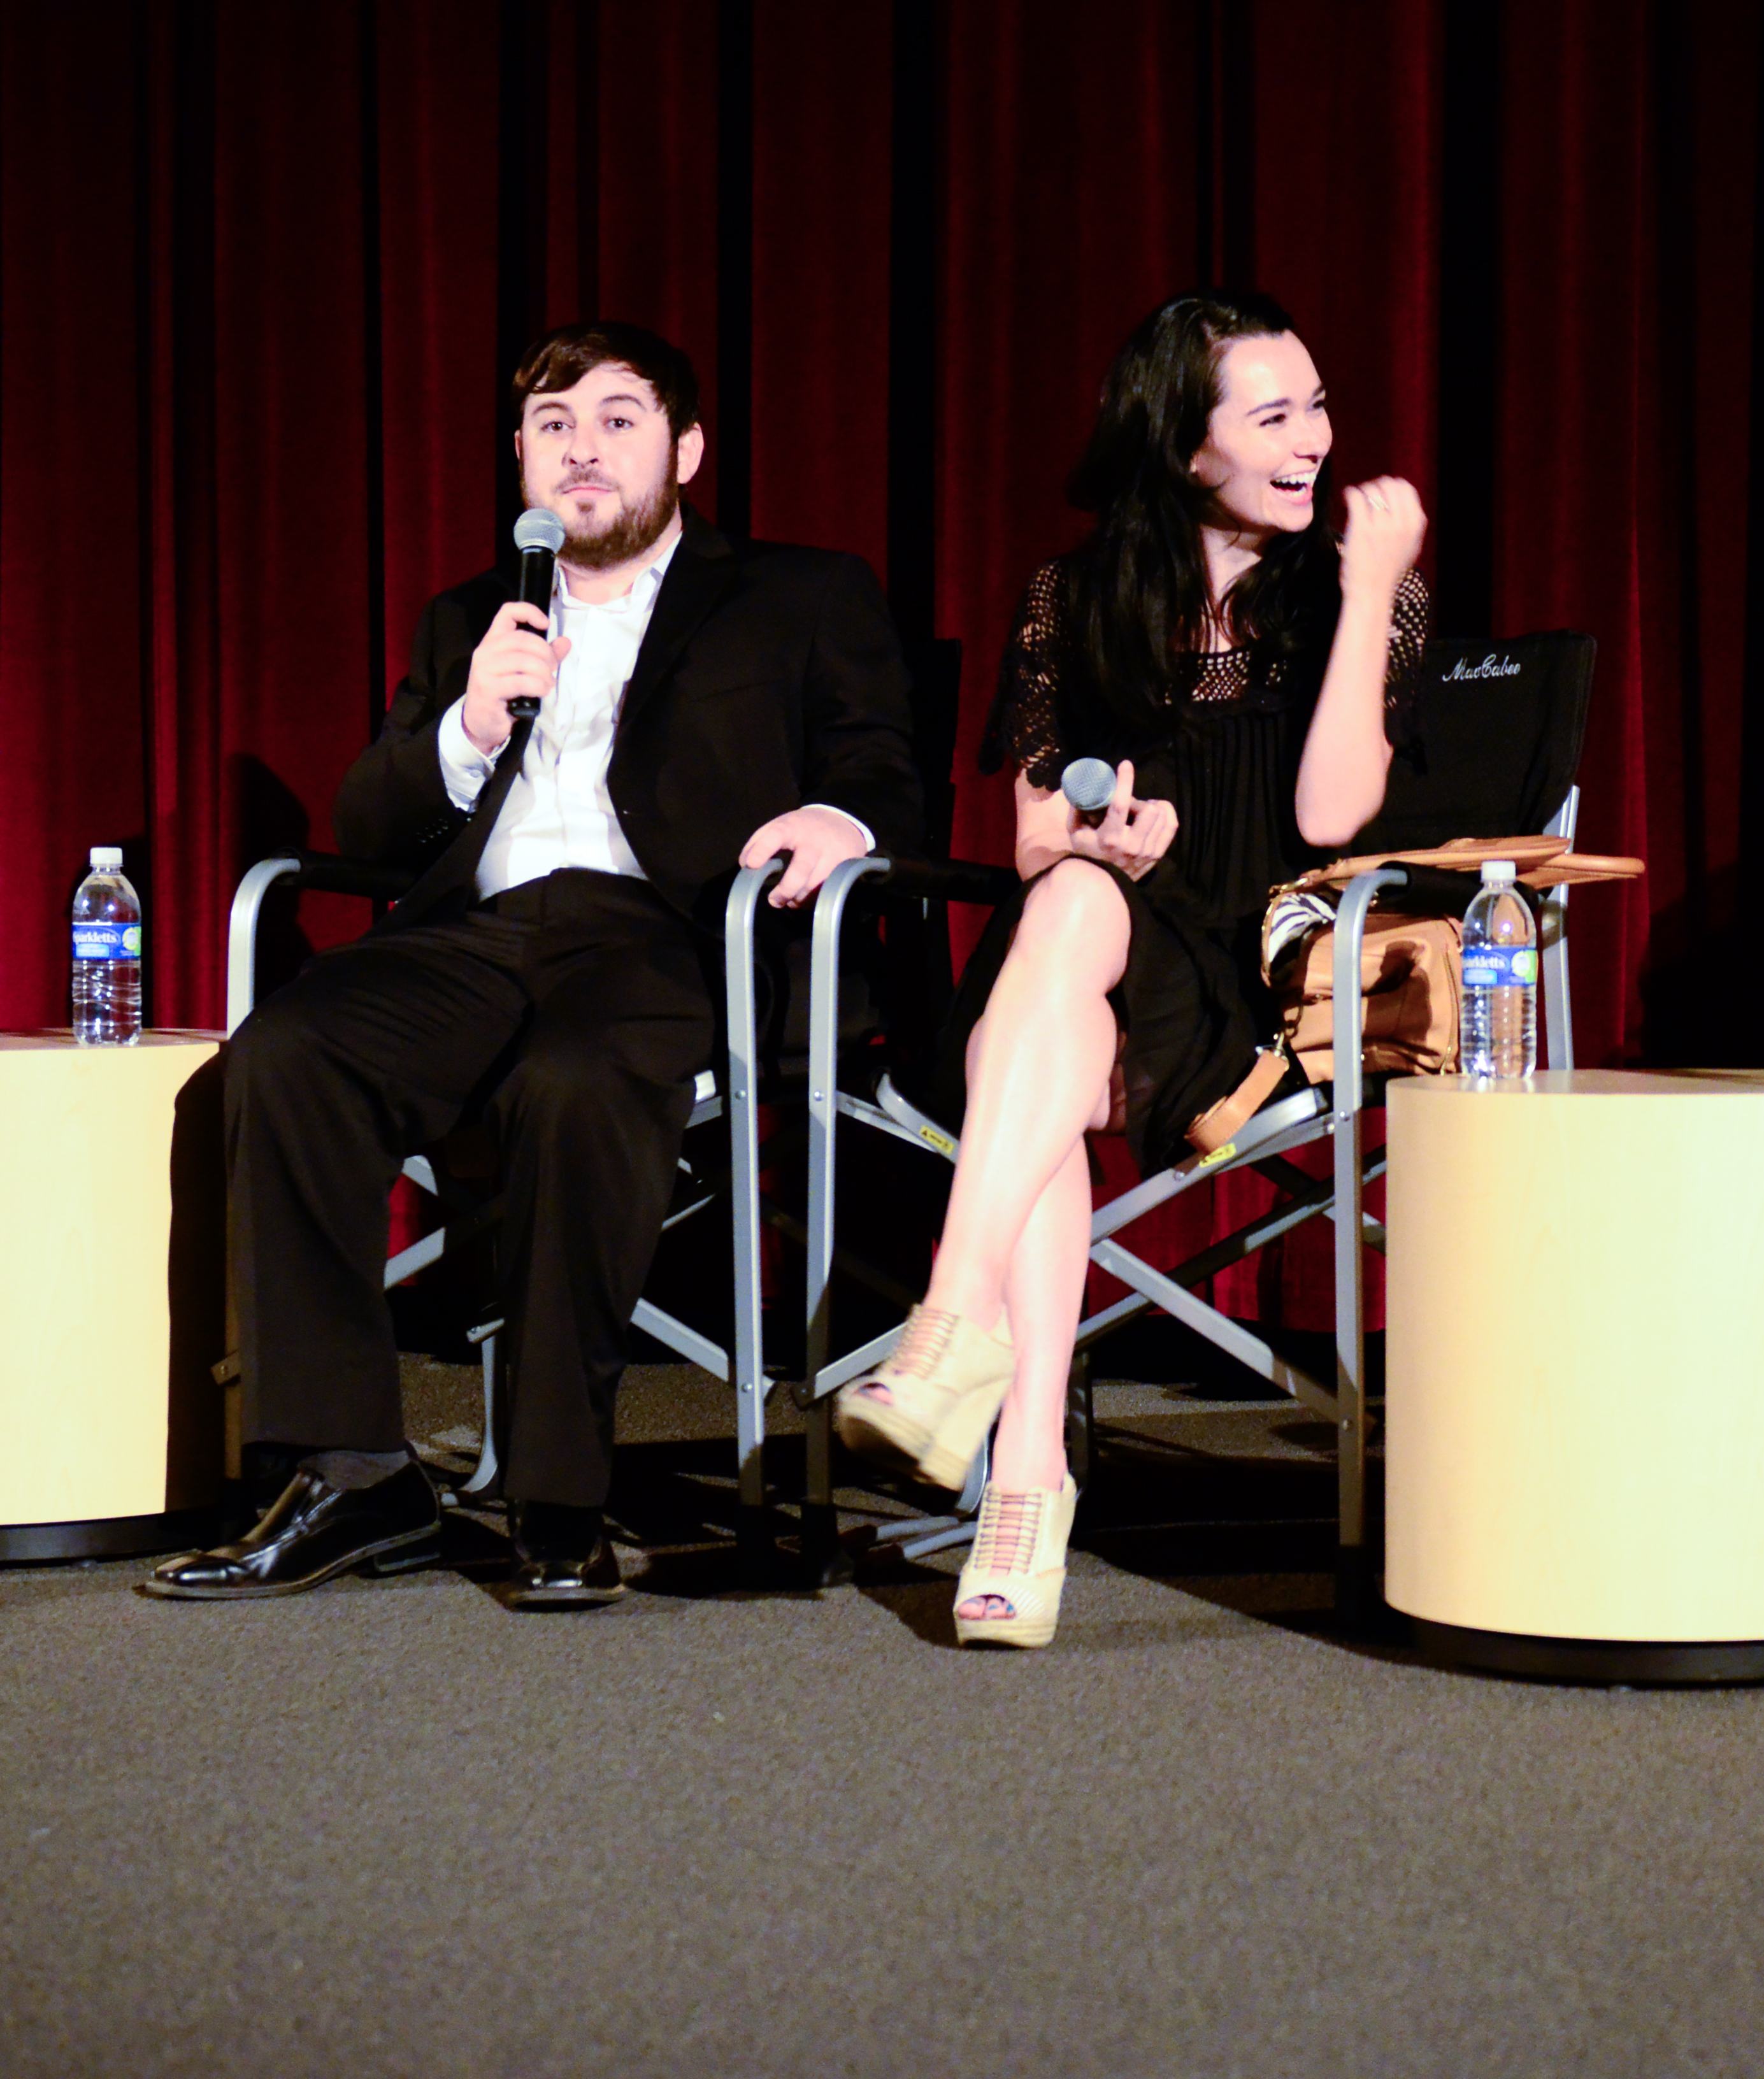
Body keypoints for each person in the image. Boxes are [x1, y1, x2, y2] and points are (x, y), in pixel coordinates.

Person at [145, 321, 922, 1610]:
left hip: (670, 930)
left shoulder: (799, 592)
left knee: (571, 1084)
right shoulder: (473, 616)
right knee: (288, 1052)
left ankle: (560, 1498)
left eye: (618, 420)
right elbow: (373, 829)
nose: (582, 450)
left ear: (685, 449)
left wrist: (836, 823)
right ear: (520, 459)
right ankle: (351, 1472)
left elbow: (879, 766)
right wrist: (465, 721)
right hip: (478, 935)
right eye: (553, 426)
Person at [832, 290, 1430, 1647]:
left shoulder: (1346, 593)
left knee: (1025, 1062)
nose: (1314, 443)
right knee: (1073, 923)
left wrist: (1374, 588)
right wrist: (1108, 840)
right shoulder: (1078, 595)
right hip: (1087, 955)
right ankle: (1021, 1480)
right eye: (1273, 417)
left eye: (1318, 408)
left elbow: (1337, 815)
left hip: (1248, 974)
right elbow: (1038, 834)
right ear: (1182, 447)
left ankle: (962, 1354)